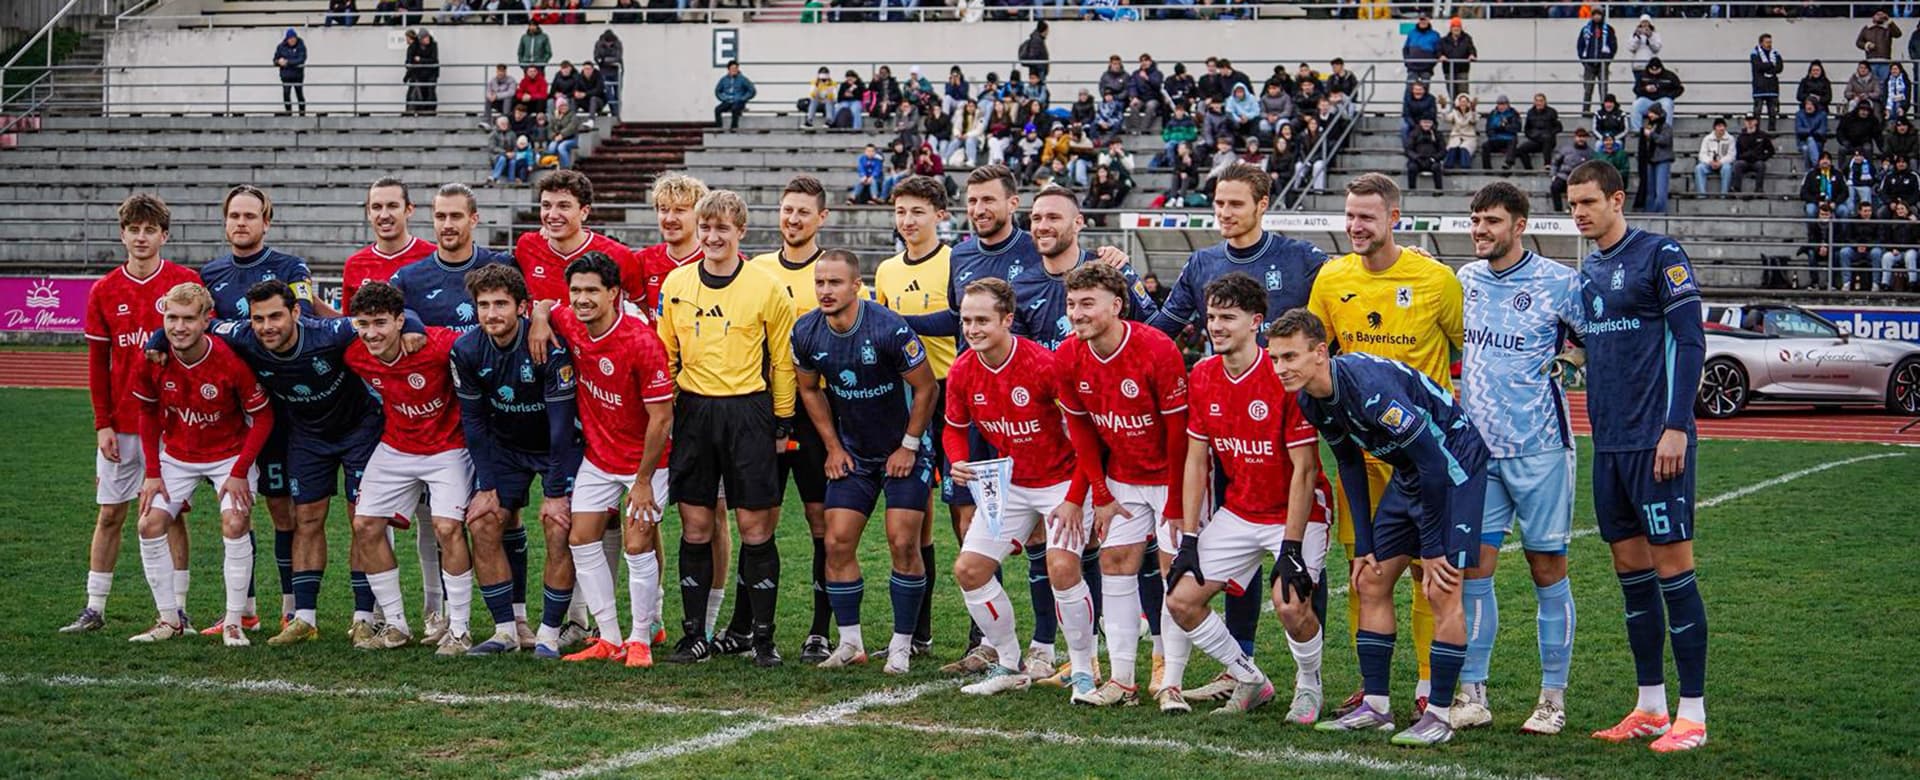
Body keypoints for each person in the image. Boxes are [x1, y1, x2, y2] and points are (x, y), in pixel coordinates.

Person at [1287, 303, 1488, 748]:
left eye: (1291, 356)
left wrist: (1432, 548)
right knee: (1370, 579)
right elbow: (1348, 462)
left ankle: (1439, 715)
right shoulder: (1310, 398)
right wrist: (1364, 543)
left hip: (1453, 465)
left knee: (1441, 587)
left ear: (1319, 353)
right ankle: (1376, 707)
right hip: (1411, 471)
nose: (1281, 367)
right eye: (1277, 357)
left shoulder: (1371, 389)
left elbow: (1435, 463)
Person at [1562, 159, 1710, 753]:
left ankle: (1693, 715)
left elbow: (1692, 341)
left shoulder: (1659, 254)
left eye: (1588, 202)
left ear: (1617, 199)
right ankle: (1650, 706)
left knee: (1675, 572)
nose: (1578, 213)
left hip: (1657, 443)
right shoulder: (1590, 269)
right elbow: (1585, 347)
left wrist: (1676, 427)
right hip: (1610, 444)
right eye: (1572, 204)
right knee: (1632, 577)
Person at [1307, 173, 1464, 721]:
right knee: (1364, 569)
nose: (1355, 226)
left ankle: (1427, 684)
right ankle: (1369, 691)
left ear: (1395, 218)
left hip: (1423, 455)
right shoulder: (1332, 278)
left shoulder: (1435, 279)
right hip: (1364, 453)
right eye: (1350, 215)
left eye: (1367, 217)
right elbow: (1316, 349)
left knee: (1428, 574)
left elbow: (1467, 347)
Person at [1162, 273, 1333, 721]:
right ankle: (1250, 678)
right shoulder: (1202, 374)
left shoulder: (1283, 375)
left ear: (1256, 321)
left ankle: (1309, 686)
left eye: (1228, 317)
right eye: (1211, 316)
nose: (1216, 326)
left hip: (1297, 512)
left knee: (1290, 603)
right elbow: (1196, 461)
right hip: (1240, 511)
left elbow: (1306, 470)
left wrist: (1291, 546)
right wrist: (1190, 537)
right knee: (1180, 600)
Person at [1452, 182, 1588, 736]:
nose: (1480, 230)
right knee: (1473, 569)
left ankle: (1552, 699)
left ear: (1519, 225)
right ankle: (1473, 694)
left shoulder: (1560, 282)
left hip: (1540, 448)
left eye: (1491, 221)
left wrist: (1572, 361)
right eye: (1475, 220)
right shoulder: (1465, 280)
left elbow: (1592, 338)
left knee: (1545, 567)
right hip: (1478, 451)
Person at [655, 190, 797, 667]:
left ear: (741, 232)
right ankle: (694, 635)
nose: (713, 237)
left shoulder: (766, 287)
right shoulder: (676, 283)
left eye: (722, 228)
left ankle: (762, 638)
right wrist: (667, 412)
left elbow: (782, 361)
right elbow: (665, 352)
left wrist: (782, 419)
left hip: (749, 413)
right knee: (696, 525)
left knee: (755, 528)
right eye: (706, 227)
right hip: (695, 413)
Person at [790, 250, 938, 672]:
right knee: (836, 542)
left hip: (904, 450)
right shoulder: (805, 331)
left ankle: (902, 645)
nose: (825, 291)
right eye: (820, 283)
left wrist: (909, 445)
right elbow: (809, 389)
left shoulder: (889, 328)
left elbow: (927, 388)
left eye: (835, 283)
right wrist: (833, 447)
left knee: (903, 541)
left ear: (857, 286)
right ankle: (850, 643)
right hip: (854, 452)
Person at [61, 195, 202, 635]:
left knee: (172, 515)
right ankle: (94, 608)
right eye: (134, 230)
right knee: (110, 514)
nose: (141, 238)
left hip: (171, 425)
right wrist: (102, 423)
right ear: (122, 235)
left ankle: (179, 610)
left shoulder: (184, 283)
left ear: (164, 235)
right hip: (121, 426)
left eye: (150, 230)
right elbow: (96, 364)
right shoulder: (104, 290)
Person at [942, 278, 1089, 697]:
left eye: (982, 320)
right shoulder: (962, 370)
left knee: (1062, 568)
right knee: (970, 570)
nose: (972, 329)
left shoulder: (1043, 365)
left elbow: (1084, 435)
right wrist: (957, 460)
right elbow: (954, 428)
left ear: (1007, 319)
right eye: (966, 320)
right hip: (1011, 483)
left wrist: (1077, 497)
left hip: (1062, 481)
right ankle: (1010, 664)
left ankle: (1083, 669)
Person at [1050, 261, 1187, 707]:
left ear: (1117, 305)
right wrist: (1101, 493)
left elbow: (1179, 434)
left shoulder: (1156, 348)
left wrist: (1178, 502)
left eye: (1087, 303)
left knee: (1173, 571)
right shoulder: (1068, 356)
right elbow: (1082, 432)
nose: (1077, 313)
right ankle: (1122, 680)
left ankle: (1170, 682)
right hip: (1123, 478)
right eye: (1072, 304)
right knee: (1114, 561)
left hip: (1172, 478)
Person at [530, 254, 675, 665]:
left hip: (647, 461)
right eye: (576, 290)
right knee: (580, 538)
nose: (582, 298)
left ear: (614, 293)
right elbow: (547, 305)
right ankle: (609, 637)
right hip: (599, 457)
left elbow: (662, 418)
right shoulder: (571, 320)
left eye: (592, 290)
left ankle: (641, 638)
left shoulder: (641, 341)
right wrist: (540, 317)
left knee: (637, 542)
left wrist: (643, 481)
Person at [127, 283, 275, 646]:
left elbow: (264, 417)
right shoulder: (153, 358)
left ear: (206, 320)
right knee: (148, 524)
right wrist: (152, 473)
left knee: (235, 522)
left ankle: (234, 622)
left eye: (188, 319)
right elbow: (146, 411)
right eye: (172, 318)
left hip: (229, 455)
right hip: (178, 456)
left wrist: (239, 472)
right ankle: (169, 619)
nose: (179, 327)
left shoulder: (229, 360)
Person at [340, 283, 473, 653]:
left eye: (380, 323)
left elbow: (479, 344)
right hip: (396, 445)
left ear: (400, 321)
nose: (371, 333)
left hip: (448, 446)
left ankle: (459, 630)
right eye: (363, 324)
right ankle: (396, 625)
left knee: (447, 528)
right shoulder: (354, 354)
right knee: (365, 525)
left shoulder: (437, 345)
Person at [742, 176, 837, 663]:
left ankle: (819, 630)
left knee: (821, 521)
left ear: (822, 218)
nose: (793, 219)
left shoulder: (832, 273)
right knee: (757, 519)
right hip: (761, 413)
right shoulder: (756, 269)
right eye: (787, 210)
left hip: (816, 415)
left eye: (803, 211)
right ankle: (745, 627)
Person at [871, 175, 957, 660]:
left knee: (965, 517)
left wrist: (901, 325)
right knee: (914, 518)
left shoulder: (955, 262)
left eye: (918, 211)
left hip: (952, 395)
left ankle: (982, 637)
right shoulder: (886, 270)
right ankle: (919, 633)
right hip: (906, 400)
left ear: (940, 215)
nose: (907, 220)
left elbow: (961, 320)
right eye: (901, 211)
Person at [514, 171, 645, 312]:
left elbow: (646, 307)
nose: (552, 215)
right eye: (546, 205)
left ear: (584, 212)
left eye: (564, 206)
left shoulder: (617, 254)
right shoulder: (527, 246)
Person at [343, 178, 438, 314]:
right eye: (377, 207)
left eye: (392, 206)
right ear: (368, 212)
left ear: (409, 210)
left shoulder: (434, 258)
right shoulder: (354, 264)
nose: (384, 215)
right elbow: (348, 321)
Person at [1576, 10, 1618, 115]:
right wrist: (1584, 60)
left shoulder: (1609, 29)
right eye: (1594, 14)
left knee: (1603, 90)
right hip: (1589, 64)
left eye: (1599, 14)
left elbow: (1613, 46)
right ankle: (1586, 111)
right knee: (1588, 89)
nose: (1597, 17)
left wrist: (1607, 60)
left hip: (1603, 64)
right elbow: (1580, 45)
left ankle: (1604, 111)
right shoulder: (1586, 29)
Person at [1507, 93, 1562, 171]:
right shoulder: (1530, 112)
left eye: (1541, 101)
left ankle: (1547, 164)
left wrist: (1550, 133)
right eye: (1537, 101)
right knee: (1520, 150)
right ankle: (1529, 169)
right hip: (1536, 140)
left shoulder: (1552, 112)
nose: (1539, 103)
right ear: (1534, 102)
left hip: (1549, 141)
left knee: (1546, 139)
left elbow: (1559, 128)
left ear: (1545, 102)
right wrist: (1533, 136)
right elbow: (1527, 130)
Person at [1629, 58, 1683, 132]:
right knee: (1636, 105)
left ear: (1661, 68)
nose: (1654, 72)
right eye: (1652, 70)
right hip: (1647, 99)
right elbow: (1636, 89)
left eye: (1656, 70)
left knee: (1667, 104)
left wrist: (1669, 95)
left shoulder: (1670, 76)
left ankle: (1665, 130)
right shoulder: (1643, 75)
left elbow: (1679, 89)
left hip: (1663, 100)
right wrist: (1645, 89)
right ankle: (1636, 130)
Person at [1549, 128, 1596, 211]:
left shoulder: (1590, 153)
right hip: (1564, 176)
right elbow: (1555, 162)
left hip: (1580, 179)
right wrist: (1553, 175)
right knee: (1554, 187)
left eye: (1583, 137)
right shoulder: (1566, 149)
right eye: (1579, 137)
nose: (1581, 139)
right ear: (1575, 137)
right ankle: (1558, 210)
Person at [1639, 105, 1674, 213]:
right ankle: (1649, 214)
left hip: (1662, 160)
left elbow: (1665, 141)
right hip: (1650, 159)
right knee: (1650, 192)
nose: (1649, 115)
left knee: (1660, 192)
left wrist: (1651, 135)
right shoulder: (1649, 125)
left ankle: (1659, 214)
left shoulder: (1666, 127)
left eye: (1652, 113)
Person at [1857, 10, 1903, 87]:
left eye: (1882, 14)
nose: (1880, 16)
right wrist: (1867, 45)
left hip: (1885, 61)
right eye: (1878, 14)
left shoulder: (1888, 27)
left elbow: (1898, 34)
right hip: (1871, 61)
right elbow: (1859, 42)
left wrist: (1889, 21)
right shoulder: (1867, 28)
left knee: (1884, 84)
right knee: (1872, 84)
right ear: (1873, 16)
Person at [1733, 114, 1775, 194]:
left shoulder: (1762, 135)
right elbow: (1737, 153)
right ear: (1745, 122)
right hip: (1744, 161)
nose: (1750, 122)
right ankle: (1736, 189)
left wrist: (1762, 158)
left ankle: (1759, 189)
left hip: (1757, 161)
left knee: (1761, 165)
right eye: (1747, 121)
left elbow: (1771, 151)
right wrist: (1744, 156)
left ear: (1756, 121)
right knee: (1738, 165)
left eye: (1751, 120)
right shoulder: (1741, 137)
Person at [1751, 34, 1785, 131]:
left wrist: (1767, 67)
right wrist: (1771, 64)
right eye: (1767, 42)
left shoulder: (1775, 53)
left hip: (1772, 87)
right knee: (1757, 112)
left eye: (1770, 42)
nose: (1769, 44)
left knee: (1773, 112)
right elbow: (1758, 66)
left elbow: (1780, 68)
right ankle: (1756, 132)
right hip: (1759, 87)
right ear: (1761, 43)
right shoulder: (1755, 53)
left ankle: (1772, 131)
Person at [1437, 18, 1477, 101]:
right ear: (1451, 28)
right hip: (1449, 70)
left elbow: (1472, 49)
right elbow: (1438, 51)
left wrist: (1472, 55)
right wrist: (1440, 56)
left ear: (1461, 28)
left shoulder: (1467, 38)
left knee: (1463, 95)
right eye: (1454, 26)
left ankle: (1465, 109)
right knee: (1452, 94)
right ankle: (1454, 108)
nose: (1456, 28)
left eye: (1458, 26)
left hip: (1463, 70)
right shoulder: (1444, 40)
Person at [1694, 117, 1736, 195]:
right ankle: (1701, 195)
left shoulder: (1730, 139)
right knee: (1699, 168)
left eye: (1723, 126)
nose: (1722, 128)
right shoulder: (1707, 139)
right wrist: (1710, 162)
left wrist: (1720, 162)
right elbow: (1702, 154)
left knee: (1727, 168)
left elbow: (1731, 155)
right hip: (1709, 164)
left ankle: (1724, 195)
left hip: (1723, 164)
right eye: (1719, 126)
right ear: (1714, 128)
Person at [713, 59, 755, 132]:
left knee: (734, 108)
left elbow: (752, 90)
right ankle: (719, 128)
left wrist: (743, 98)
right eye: (732, 68)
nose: (734, 70)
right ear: (728, 69)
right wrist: (723, 98)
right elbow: (717, 91)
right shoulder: (724, 79)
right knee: (717, 109)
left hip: (738, 102)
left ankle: (734, 128)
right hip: (728, 101)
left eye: (736, 68)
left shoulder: (743, 79)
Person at [405, 28, 440, 115]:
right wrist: (407, 75)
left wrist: (420, 60)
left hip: (431, 73)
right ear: (420, 39)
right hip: (420, 74)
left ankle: (430, 112)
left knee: (430, 92)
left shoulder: (433, 45)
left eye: (427, 37)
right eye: (425, 37)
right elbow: (411, 61)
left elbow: (433, 60)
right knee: (421, 93)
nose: (427, 39)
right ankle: (421, 111)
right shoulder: (414, 46)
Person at [1405, 117, 1445, 191]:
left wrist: (1434, 158)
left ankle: (1438, 191)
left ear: (1432, 123)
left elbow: (1442, 150)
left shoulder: (1437, 134)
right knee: (1412, 167)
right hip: (1418, 160)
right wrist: (1416, 158)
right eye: (1424, 122)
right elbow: (1408, 149)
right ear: (1420, 123)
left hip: (1432, 160)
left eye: (1428, 122)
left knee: (1436, 167)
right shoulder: (1414, 133)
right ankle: (1412, 191)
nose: (1426, 124)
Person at [274, 29, 307, 116]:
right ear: (287, 39)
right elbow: (275, 60)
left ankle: (302, 114)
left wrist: (287, 62)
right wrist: (278, 62)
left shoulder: (301, 46)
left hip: (298, 75)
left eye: (294, 38)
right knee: (286, 94)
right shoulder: (281, 47)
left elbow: (301, 59)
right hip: (286, 75)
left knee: (299, 94)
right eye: (290, 38)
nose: (292, 40)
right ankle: (288, 113)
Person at [1482, 95, 1519, 170]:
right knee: (1485, 146)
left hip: (1508, 139)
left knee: (1513, 141)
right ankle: (1487, 170)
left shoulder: (1513, 113)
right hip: (1495, 139)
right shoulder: (1493, 114)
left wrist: (1504, 127)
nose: (1501, 106)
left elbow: (1516, 128)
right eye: (1499, 104)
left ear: (1508, 104)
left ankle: (1508, 164)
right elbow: (1489, 129)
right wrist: (1496, 130)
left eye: (1503, 104)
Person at [545, 97, 582, 169]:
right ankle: (552, 165)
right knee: (552, 147)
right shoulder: (554, 116)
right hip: (557, 138)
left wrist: (562, 135)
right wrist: (554, 136)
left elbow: (571, 128)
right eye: (561, 106)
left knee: (561, 147)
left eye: (565, 105)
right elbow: (550, 129)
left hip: (571, 139)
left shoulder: (573, 115)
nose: (564, 107)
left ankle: (566, 167)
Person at [593, 28, 623, 117]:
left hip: (617, 71)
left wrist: (605, 60)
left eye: (610, 43)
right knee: (608, 93)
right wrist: (609, 60)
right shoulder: (598, 44)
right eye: (607, 42)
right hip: (604, 71)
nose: (609, 44)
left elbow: (618, 58)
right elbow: (596, 57)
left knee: (617, 94)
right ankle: (615, 113)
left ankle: (616, 113)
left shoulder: (618, 43)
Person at [1403, 13, 1440, 84]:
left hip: (1427, 69)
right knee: (1410, 87)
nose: (1423, 21)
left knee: (1425, 88)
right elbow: (1405, 49)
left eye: (1425, 19)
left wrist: (1431, 64)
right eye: (1421, 19)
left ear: (1428, 20)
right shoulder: (1412, 33)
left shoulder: (1435, 35)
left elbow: (1438, 51)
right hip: (1412, 68)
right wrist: (1407, 63)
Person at [1625, 14, 1661, 83]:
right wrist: (1637, 38)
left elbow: (1656, 49)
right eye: (1643, 22)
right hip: (1638, 66)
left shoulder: (1655, 35)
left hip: (1651, 66)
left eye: (1646, 22)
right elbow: (1631, 48)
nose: (1644, 24)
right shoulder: (1634, 34)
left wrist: (1650, 37)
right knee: (1639, 86)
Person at [1796, 97, 1830, 169]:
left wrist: (1809, 132)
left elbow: (1822, 131)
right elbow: (1799, 130)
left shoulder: (1822, 115)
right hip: (1803, 141)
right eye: (1807, 104)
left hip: (1818, 141)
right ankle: (1817, 166)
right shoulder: (1800, 114)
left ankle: (1809, 172)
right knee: (1806, 147)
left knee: (1809, 143)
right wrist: (1812, 130)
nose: (1809, 107)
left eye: (1811, 105)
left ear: (1815, 106)